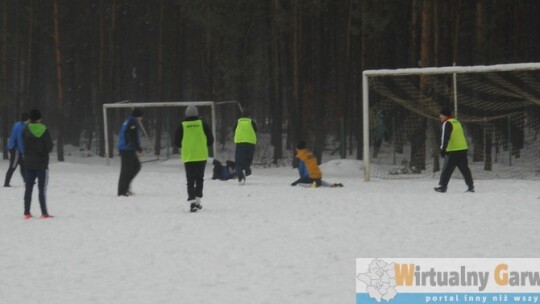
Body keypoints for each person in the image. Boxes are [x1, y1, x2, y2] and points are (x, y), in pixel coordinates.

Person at [174, 105, 214, 212]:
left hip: (188, 156)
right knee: (200, 178)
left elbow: (177, 143)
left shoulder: (182, 126)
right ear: (197, 114)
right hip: (201, 155)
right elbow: (211, 140)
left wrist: (186, 144)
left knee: (190, 180)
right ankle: (198, 201)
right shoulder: (203, 124)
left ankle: (192, 202)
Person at [434, 107, 474, 193]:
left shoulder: (447, 123)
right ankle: (471, 186)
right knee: (465, 169)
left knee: (447, 169)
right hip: (462, 149)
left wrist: (442, 149)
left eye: (441, 115)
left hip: (453, 150)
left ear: (445, 116)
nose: (440, 116)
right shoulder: (457, 122)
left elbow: (445, 137)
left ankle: (443, 187)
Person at [23, 109, 54, 219]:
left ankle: (27, 212)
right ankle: (44, 212)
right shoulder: (44, 129)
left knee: (28, 188)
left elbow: (23, 146)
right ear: (39, 118)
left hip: (29, 163)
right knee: (42, 189)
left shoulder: (25, 129)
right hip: (41, 163)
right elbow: (49, 147)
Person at [117, 109, 143, 196]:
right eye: (141, 117)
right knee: (125, 170)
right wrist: (138, 148)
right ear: (138, 116)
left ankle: (126, 187)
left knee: (136, 166)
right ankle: (122, 191)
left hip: (128, 149)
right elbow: (132, 136)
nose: (141, 119)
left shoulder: (129, 120)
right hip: (126, 149)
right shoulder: (132, 122)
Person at [4, 112, 30, 187]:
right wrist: (23, 151)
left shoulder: (18, 124)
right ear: (26, 119)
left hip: (15, 148)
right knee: (13, 166)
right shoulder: (21, 127)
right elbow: (19, 140)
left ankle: (27, 181)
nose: (29, 121)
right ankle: (6, 183)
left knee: (23, 165)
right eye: (28, 119)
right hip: (16, 150)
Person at [233, 111, 257, 184]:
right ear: (248, 116)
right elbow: (256, 130)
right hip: (250, 143)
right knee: (248, 159)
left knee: (238, 161)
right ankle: (247, 170)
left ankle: (241, 177)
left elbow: (233, 130)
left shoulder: (238, 122)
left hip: (240, 143)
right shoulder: (251, 122)